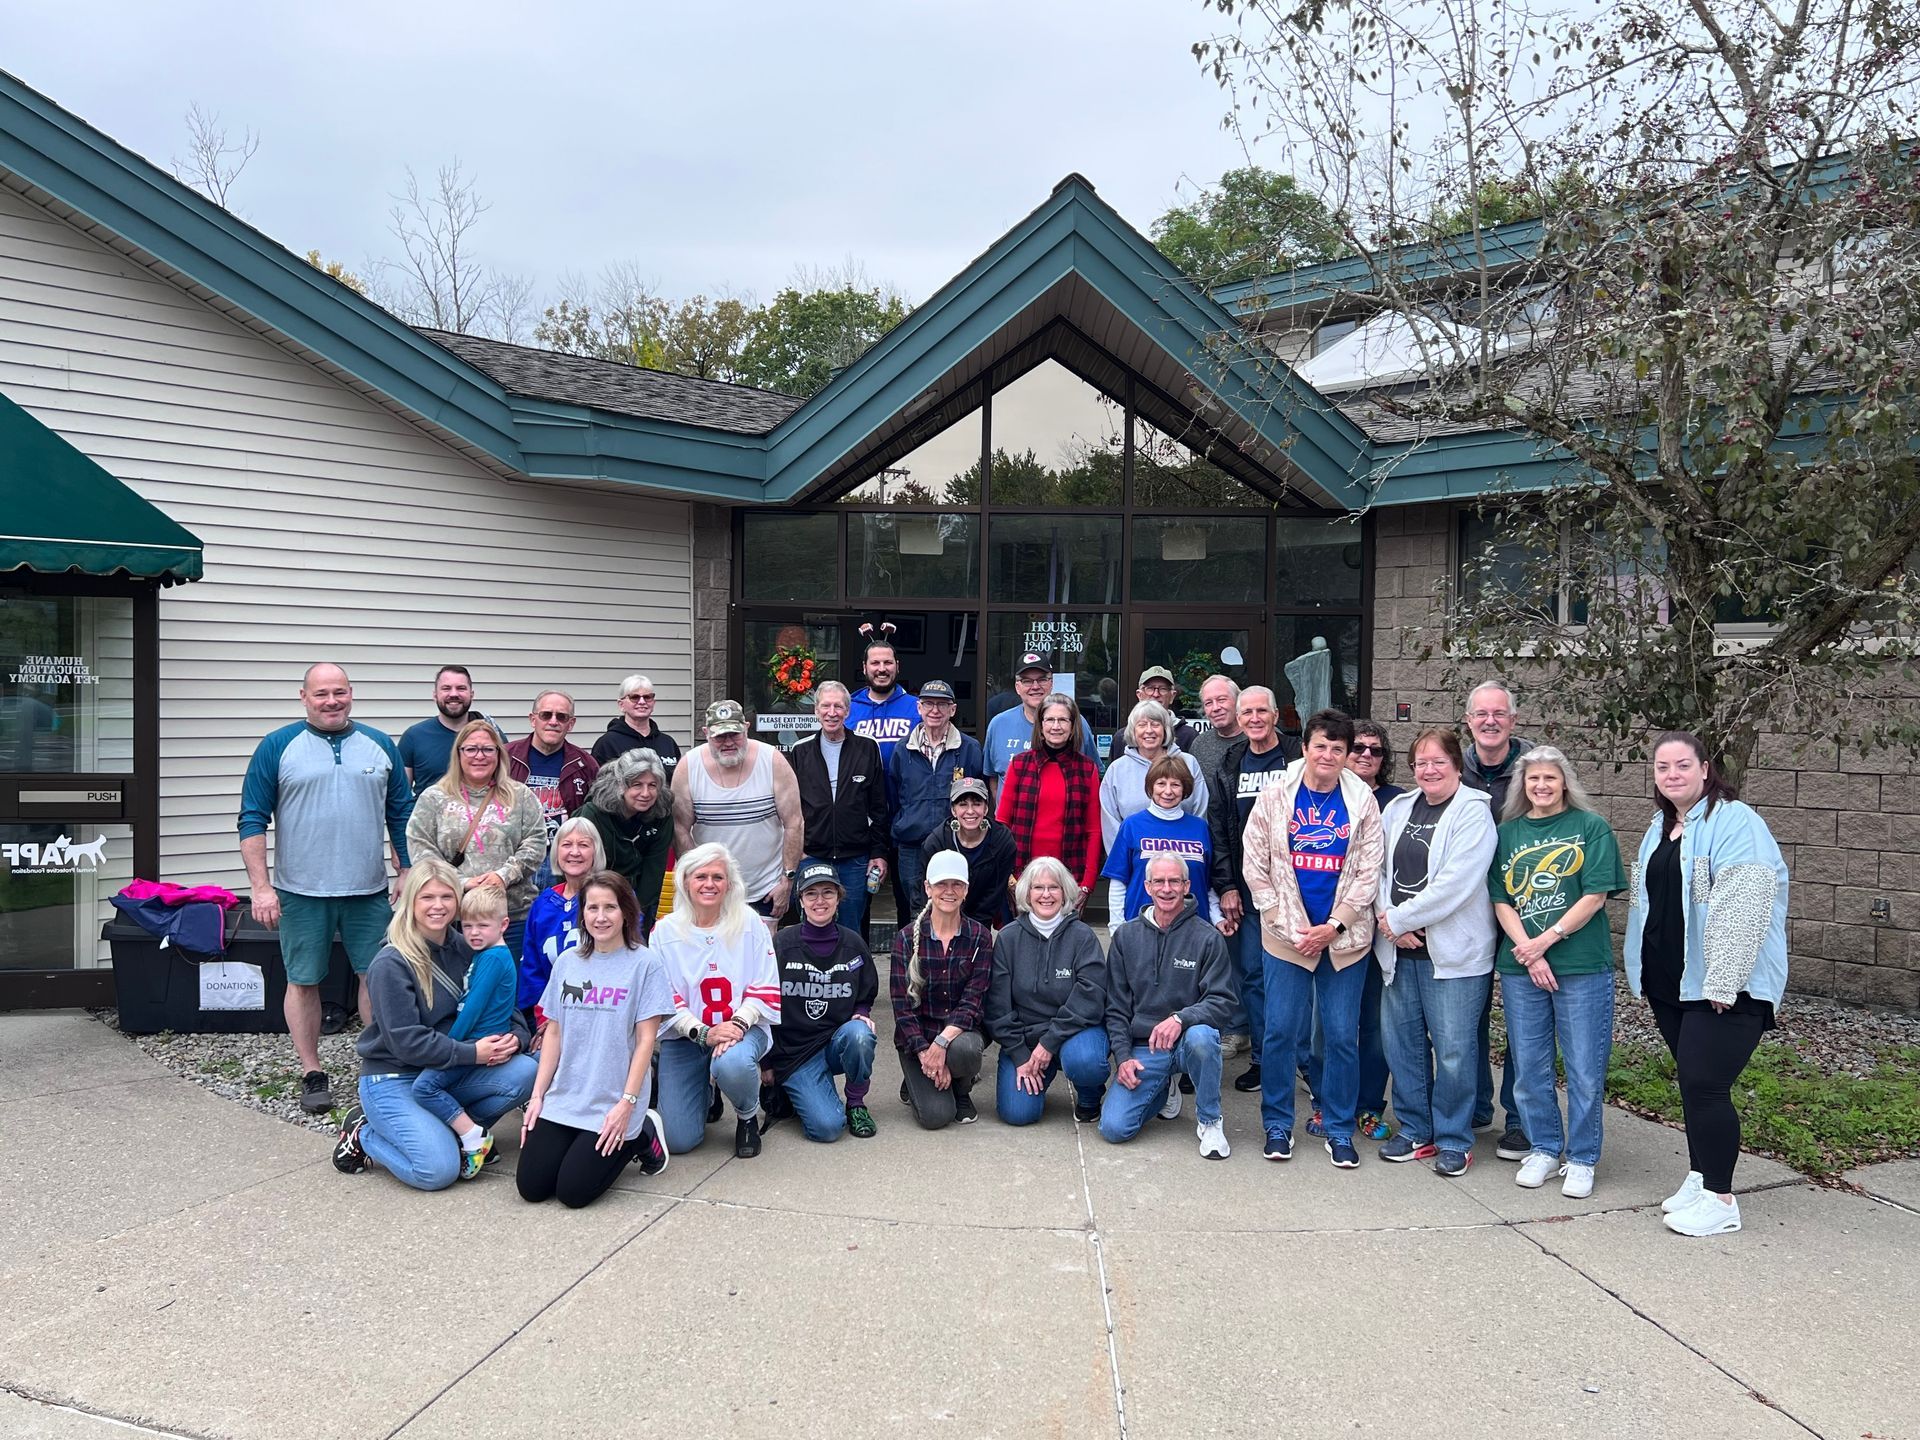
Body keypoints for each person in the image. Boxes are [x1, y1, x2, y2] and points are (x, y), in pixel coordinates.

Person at [1625, 731, 1789, 1238]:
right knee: (1693, 1085)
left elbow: (1744, 897)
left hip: (1722, 986)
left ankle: (1721, 1198)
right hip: (1671, 982)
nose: (1671, 774)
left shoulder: (1735, 820)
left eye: (1681, 765)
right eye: (1661, 767)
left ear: (1704, 769)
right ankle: (1700, 1177)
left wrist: (1725, 979)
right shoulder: (1661, 826)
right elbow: (1646, 903)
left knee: (1706, 1084)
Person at [238, 662, 411, 1115]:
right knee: (302, 979)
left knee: (376, 977)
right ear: (304, 696)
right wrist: (260, 888)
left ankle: (380, 1064)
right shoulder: (277, 746)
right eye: (321, 694)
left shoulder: (378, 744)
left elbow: (401, 814)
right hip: (300, 892)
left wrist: (407, 868)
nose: (331, 701)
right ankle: (312, 1071)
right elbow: (252, 817)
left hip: (367, 889)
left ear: (352, 693)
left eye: (339, 692)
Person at [331, 860, 536, 1190]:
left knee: (526, 1071)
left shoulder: (470, 946)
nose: (438, 906)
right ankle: (364, 1133)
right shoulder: (391, 962)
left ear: (458, 901)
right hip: (395, 1075)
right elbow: (406, 1042)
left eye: (446, 897)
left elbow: (507, 1008)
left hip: (447, 1070)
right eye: (427, 897)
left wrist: (516, 1038)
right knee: (436, 1171)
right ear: (410, 901)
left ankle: (461, 1133)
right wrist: (475, 1054)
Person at [1240, 709, 1386, 1167]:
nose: (1328, 755)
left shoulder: (1363, 801)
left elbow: (1368, 871)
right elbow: (1255, 864)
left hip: (1344, 940)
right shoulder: (1275, 795)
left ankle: (1339, 1128)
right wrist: (1288, 926)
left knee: (1342, 1036)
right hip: (1285, 937)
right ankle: (1278, 1124)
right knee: (1281, 1032)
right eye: (1320, 746)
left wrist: (1334, 925)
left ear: (1347, 757)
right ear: (1304, 748)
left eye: (1338, 750)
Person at [1491, 747, 1627, 1199]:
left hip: (1581, 965)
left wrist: (1544, 943)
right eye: (1533, 780)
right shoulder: (1507, 833)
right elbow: (1501, 900)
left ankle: (1583, 1157)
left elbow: (1596, 895)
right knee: (1529, 1067)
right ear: (1522, 786)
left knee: (1584, 1068)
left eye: (1550, 778)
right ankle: (1546, 1147)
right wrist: (1528, 954)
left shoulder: (1591, 828)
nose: (1541, 786)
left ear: (1564, 781)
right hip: (1521, 967)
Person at [1374, 728, 1499, 1177]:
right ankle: (1414, 1129)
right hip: (1399, 951)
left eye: (1438, 762)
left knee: (1453, 1051)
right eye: (1420, 763)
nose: (1428, 770)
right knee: (1402, 1045)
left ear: (1457, 766)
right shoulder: (1399, 808)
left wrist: (1400, 920)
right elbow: (1376, 870)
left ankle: (1453, 1139)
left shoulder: (1473, 813)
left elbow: (1458, 883)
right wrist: (1388, 922)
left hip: (1453, 955)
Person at [517, 872, 674, 1208]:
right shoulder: (567, 963)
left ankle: (641, 1133)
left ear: (626, 912)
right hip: (568, 1093)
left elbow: (647, 1041)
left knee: (573, 1193)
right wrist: (538, 1096)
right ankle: (577, 1136)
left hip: (615, 1098)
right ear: (582, 914)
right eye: (592, 908)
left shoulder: (645, 964)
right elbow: (554, 1033)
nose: (600, 917)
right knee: (532, 1187)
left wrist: (628, 1104)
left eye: (610, 907)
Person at [1098, 856, 1238, 1159]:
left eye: (1174, 881)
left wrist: (1180, 1018)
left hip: (1188, 1041)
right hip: (1145, 1046)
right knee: (1114, 1128)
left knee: (1203, 1037)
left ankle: (1210, 1120)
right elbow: (1116, 1008)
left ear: (1187, 886)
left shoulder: (1207, 938)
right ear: (1147, 887)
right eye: (1158, 881)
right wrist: (1122, 1058)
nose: (1166, 888)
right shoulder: (1126, 937)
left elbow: (1223, 1001)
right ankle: (1163, 1090)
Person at [649, 843, 784, 1157]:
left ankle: (747, 1116)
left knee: (732, 1063)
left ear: (729, 884)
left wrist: (736, 1024)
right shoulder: (664, 932)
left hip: (739, 1031)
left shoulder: (751, 924)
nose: (709, 884)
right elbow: (663, 997)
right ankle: (706, 1092)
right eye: (700, 876)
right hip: (687, 1036)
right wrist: (703, 1032)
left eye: (717, 877)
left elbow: (765, 985)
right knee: (679, 1140)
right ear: (685, 882)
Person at [1205, 685, 1304, 1094]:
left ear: (1276, 716)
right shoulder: (1231, 764)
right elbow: (1221, 831)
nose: (1255, 719)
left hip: (1300, 887)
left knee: (1301, 975)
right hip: (1247, 891)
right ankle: (1265, 1059)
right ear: (1239, 719)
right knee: (1254, 977)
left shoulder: (1298, 756)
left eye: (1262, 711)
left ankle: (1304, 1061)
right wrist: (1226, 885)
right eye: (1247, 713)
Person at [1460, 679, 1533, 1156]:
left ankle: (1523, 1118)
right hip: (1467, 908)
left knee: (1524, 1020)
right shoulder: (1455, 767)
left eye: (1499, 714)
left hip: (1524, 907)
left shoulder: (1534, 768)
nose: (1490, 721)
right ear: (1468, 721)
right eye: (1481, 714)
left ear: (1512, 719)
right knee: (1469, 1014)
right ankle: (1475, 1104)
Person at [404, 719, 547, 957]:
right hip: (454, 918)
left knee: (506, 989)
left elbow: (536, 842)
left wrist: (503, 876)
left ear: (499, 754)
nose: (479, 756)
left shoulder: (521, 796)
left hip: (510, 916)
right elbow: (421, 848)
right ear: (458, 754)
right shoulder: (434, 798)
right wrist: (460, 882)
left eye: (487, 749)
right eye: (471, 749)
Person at [410, 885, 523, 1179]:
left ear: (504, 925)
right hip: (477, 1039)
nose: (474, 932)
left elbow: (472, 1008)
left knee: (423, 1088)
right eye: (468, 925)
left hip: (477, 1041)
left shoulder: (493, 959)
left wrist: (450, 1047)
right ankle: (465, 1136)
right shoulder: (486, 953)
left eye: (483, 925)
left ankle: (474, 1136)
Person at [985, 857, 1109, 1125]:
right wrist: (1019, 1054)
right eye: (1038, 887)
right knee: (1019, 1114)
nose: (1046, 895)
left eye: (1053, 887)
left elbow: (1092, 996)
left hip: (1074, 1033)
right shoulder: (1008, 938)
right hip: (1026, 1039)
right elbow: (997, 1006)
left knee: (1086, 1061)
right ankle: (1041, 1073)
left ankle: (1089, 1095)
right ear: (1026, 893)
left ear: (1065, 892)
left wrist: (1048, 1044)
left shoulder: (1082, 936)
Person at [766, 859, 881, 1141]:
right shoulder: (781, 944)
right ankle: (799, 1090)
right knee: (827, 1129)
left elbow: (865, 993)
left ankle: (856, 1103)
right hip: (795, 1053)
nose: (820, 900)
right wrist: (766, 1063)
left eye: (828, 892)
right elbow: (763, 1005)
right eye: (811, 893)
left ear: (839, 898)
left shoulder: (853, 943)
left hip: (835, 1042)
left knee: (860, 1034)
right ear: (800, 900)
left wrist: (862, 1013)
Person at [1327, 716, 1402, 1141]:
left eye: (1376, 750)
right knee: (1328, 1027)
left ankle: (1368, 1106)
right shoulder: (1324, 795)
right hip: (1334, 930)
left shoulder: (1398, 802)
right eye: (1358, 748)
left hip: (1382, 930)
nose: (1367, 756)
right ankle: (1327, 1101)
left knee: (1373, 1025)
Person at [672, 698, 804, 921]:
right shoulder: (689, 766)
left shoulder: (772, 760)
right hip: (711, 889)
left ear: (746, 728)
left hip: (765, 888)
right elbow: (680, 829)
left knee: (762, 952)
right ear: (706, 733)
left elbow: (794, 822)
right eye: (719, 736)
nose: (728, 742)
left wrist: (787, 879)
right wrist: (696, 878)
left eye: (734, 734)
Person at [890, 849, 993, 1129]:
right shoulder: (905, 939)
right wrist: (925, 1053)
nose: (949, 891)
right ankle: (918, 1074)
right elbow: (901, 1007)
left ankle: (961, 1089)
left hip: (957, 1036)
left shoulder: (980, 937)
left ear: (966, 890)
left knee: (968, 1050)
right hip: (918, 1038)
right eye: (941, 884)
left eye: (957, 884)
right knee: (936, 1118)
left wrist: (942, 1043)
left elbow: (974, 1001)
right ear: (927, 888)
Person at [788, 681, 889, 931]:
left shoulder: (867, 747)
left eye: (838, 706)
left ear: (848, 711)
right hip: (812, 855)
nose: (832, 712)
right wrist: (797, 852)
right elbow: (791, 810)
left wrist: (878, 853)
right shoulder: (800, 751)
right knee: (813, 925)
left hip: (854, 858)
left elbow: (878, 806)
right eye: (825, 706)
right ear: (816, 711)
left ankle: (852, 971)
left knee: (851, 928)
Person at [888, 680, 988, 915]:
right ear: (919, 708)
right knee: (915, 910)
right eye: (929, 704)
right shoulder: (903, 749)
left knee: (956, 907)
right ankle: (916, 952)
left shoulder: (969, 748)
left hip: (956, 843)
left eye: (942, 704)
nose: (935, 710)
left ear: (952, 710)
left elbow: (979, 796)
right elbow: (892, 796)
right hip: (912, 845)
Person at [997, 692, 1103, 902]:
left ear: (1073, 727)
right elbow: (1002, 824)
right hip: (1021, 876)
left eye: (1063, 720)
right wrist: (1008, 877)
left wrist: (1087, 885)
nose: (1056, 726)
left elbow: (1093, 830)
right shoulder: (1019, 765)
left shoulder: (1086, 768)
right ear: (1041, 726)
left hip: (1070, 877)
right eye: (1050, 719)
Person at [1103, 756, 1220, 924]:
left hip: (1194, 929)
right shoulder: (1132, 825)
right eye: (1161, 783)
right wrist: (1116, 927)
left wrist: (1217, 918)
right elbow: (1118, 882)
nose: (1168, 791)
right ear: (1150, 786)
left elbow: (1209, 884)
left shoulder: (1200, 828)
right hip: (1140, 928)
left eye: (1175, 784)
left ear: (1185, 789)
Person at [506, 689, 598, 890]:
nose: (553, 721)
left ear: (570, 724)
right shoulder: (506, 758)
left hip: (562, 862)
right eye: (546, 715)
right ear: (533, 719)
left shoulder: (585, 764)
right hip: (514, 856)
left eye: (562, 717)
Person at [577, 749, 673, 935]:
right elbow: (580, 866)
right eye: (637, 785)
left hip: (637, 896)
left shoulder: (663, 813)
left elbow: (654, 871)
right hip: (596, 896)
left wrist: (634, 913)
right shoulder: (593, 812)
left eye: (652, 785)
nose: (645, 793)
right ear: (621, 784)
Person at [519, 816, 605, 1020]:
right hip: (550, 1017)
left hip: (603, 1011)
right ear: (556, 852)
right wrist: (543, 1021)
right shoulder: (542, 905)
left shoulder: (614, 896)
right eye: (566, 844)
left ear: (596, 852)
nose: (574, 852)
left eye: (583, 845)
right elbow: (532, 970)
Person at [983, 651, 1100, 796]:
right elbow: (993, 778)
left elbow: (1093, 776)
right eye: (1027, 681)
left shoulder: (1076, 722)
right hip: (1012, 817)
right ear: (1017, 686)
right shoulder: (998, 725)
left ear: (1051, 683)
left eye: (1042, 679)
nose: (1035, 686)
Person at [1098, 699, 1208, 852]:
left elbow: (1200, 814)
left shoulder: (1188, 763)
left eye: (1155, 724)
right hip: (1134, 864)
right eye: (1142, 725)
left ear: (1166, 729)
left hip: (1183, 861)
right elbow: (1110, 823)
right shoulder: (1117, 769)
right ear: (1133, 731)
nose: (1149, 730)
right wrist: (1123, 863)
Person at [921, 776, 1017, 929]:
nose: (970, 811)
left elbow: (994, 894)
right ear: (953, 810)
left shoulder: (1003, 841)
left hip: (983, 919)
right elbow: (926, 892)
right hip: (943, 915)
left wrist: (974, 930)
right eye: (963, 804)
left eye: (977, 804)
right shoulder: (936, 842)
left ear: (986, 808)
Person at [398, 665, 505, 801]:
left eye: (461, 688)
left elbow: (506, 780)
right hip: (430, 820)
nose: (454, 694)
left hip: (484, 818)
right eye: (446, 688)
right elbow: (400, 797)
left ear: (471, 694)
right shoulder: (414, 736)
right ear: (435, 695)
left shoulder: (491, 734)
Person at [591, 673, 682, 783]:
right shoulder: (607, 744)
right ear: (621, 705)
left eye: (647, 697)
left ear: (653, 702)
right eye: (634, 697)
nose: (642, 702)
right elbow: (600, 788)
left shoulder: (668, 743)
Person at [1187, 674, 1243, 795]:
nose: (1215, 708)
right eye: (1208, 703)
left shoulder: (1263, 737)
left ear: (1238, 701)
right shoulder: (1199, 745)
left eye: (1221, 700)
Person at [1134, 665, 1201, 750]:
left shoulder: (1189, 736)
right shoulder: (1123, 737)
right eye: (1150, 688)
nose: (1156, 694)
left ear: (1172, 696)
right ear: (1139, 695)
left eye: (1163, 689)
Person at [1348, 719, 1404, 808]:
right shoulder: (1327, 794)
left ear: (1383, 759)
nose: (1367, 754)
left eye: (1376, 750)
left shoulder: (1398, 800)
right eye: (1358, 747)